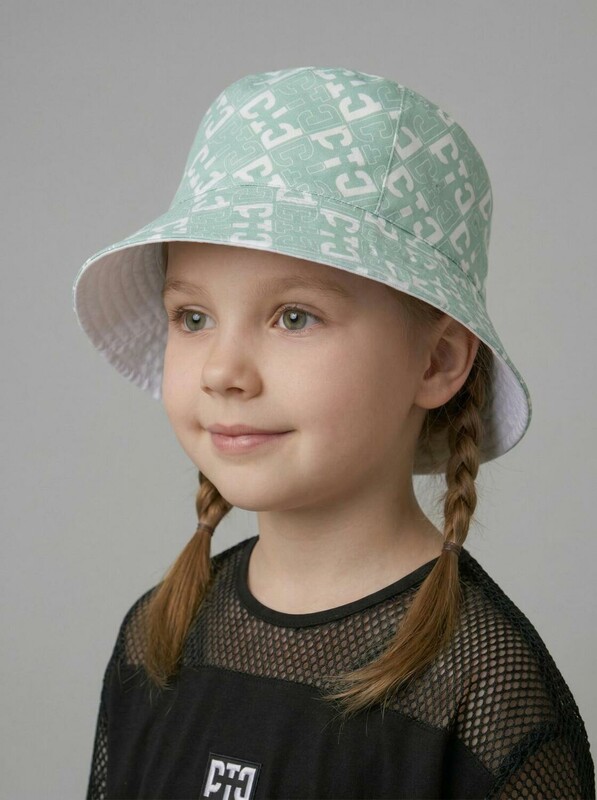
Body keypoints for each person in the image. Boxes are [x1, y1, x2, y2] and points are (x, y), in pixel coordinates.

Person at [73, 66, 595, 800]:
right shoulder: (157, 638)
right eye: (193, 317)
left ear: (436, 361)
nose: (222, 370)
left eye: (294, 317)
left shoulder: (482, 686)